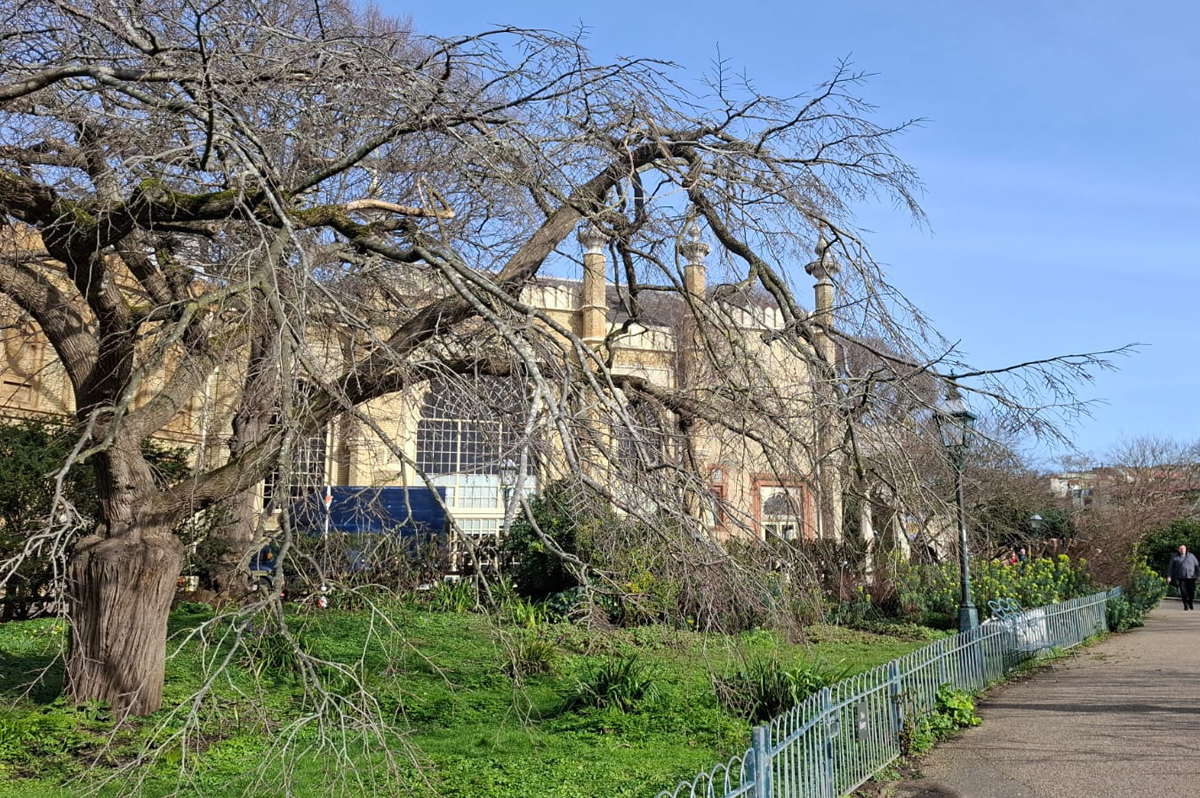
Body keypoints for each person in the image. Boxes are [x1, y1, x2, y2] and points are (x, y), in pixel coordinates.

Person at [1168, 544, 1200, 610]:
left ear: (1186, 549)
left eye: (1183, 548)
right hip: (1181, 577)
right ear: (1178, 550)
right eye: (1181, 549)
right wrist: (1169, 576)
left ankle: (1190, 602)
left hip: (1191, 577)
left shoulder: (1191, 556)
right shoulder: (1175, 557)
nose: (1182, 550)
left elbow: (1197, 566)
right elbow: (1171, 568)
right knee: (1183, 592)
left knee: (1192, 592)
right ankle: (1185, 605)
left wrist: (1198, 575)